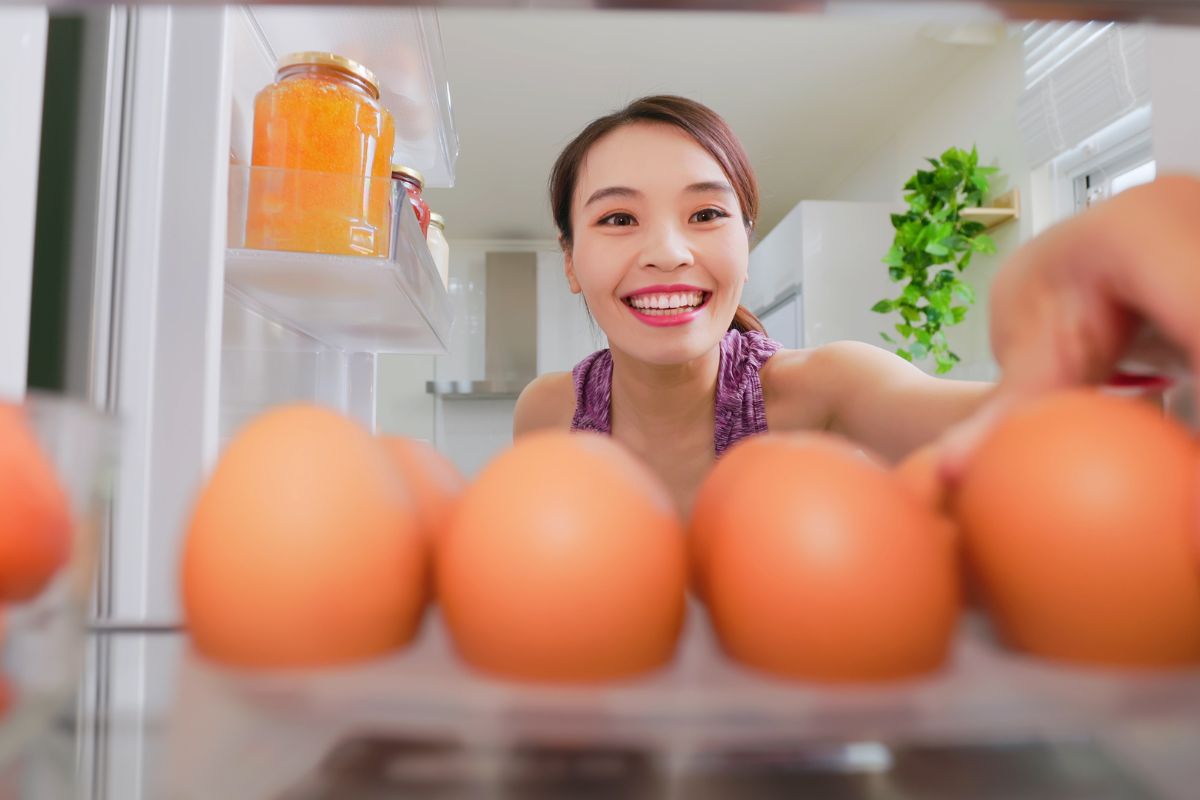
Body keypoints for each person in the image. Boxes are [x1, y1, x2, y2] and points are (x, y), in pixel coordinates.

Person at [513, 95, 1199, 514]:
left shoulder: (828, 391)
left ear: (744, 245)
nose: (668, 251)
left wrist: (1132, 334)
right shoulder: (548, 415)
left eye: (706, 214)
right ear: (571, 260)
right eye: (618, 220)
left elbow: (1019, 432)